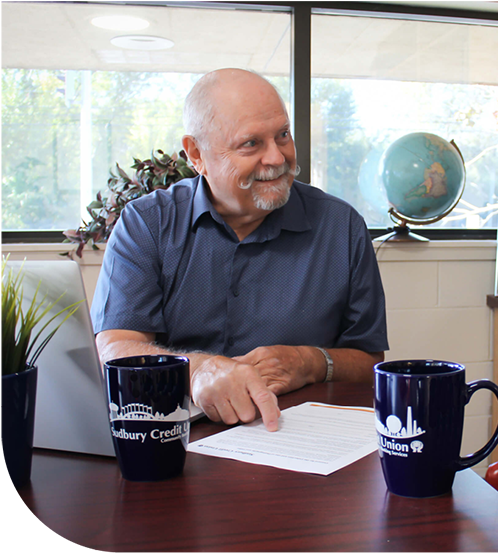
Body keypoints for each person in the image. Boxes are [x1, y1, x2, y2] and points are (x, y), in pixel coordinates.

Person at [91, 69, 388, 432]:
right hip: (175, 443)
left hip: (300, 444)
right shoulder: (147, 224)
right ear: (196, 154)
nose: (277, 158)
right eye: (251, 144)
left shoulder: (342, 229)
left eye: (283, 135)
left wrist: (309, 361)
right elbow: (116, 347)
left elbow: (370, 362)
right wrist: (200, 371)